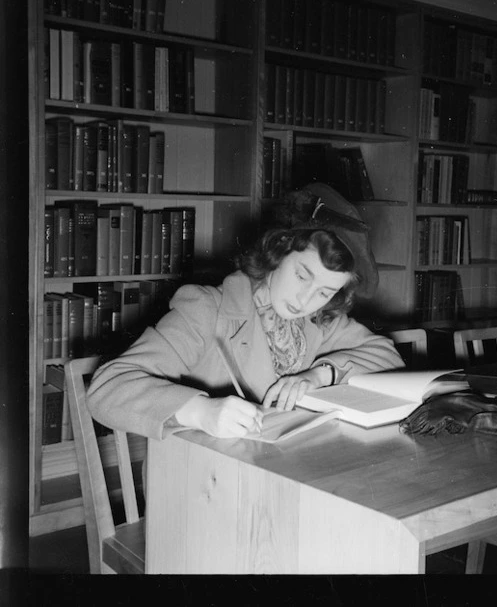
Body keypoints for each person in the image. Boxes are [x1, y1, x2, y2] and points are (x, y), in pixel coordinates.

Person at [87, 182, 405, 441]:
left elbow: (388, 358)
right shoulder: (207, 308)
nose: (306, 299)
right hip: (206, 482)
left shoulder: (316, 320)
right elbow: (106, 389)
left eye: (325, 291)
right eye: (302, 275)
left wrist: (319, 374)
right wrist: (199, 412)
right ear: (278, 251)